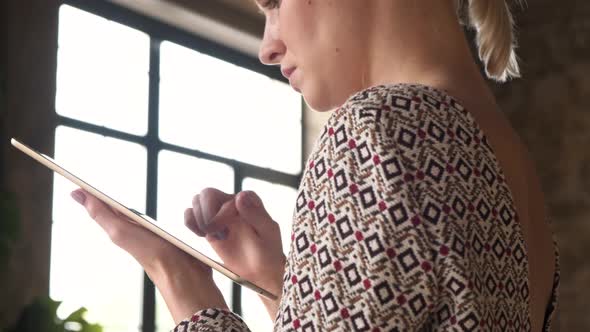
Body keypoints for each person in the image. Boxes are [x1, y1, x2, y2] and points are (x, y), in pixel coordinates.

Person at [69, 0, 560, 330]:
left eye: (273, 3)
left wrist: (179, 281)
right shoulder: (502, 154)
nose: (267, 46)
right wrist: (276, 282)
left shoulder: (380, 128)